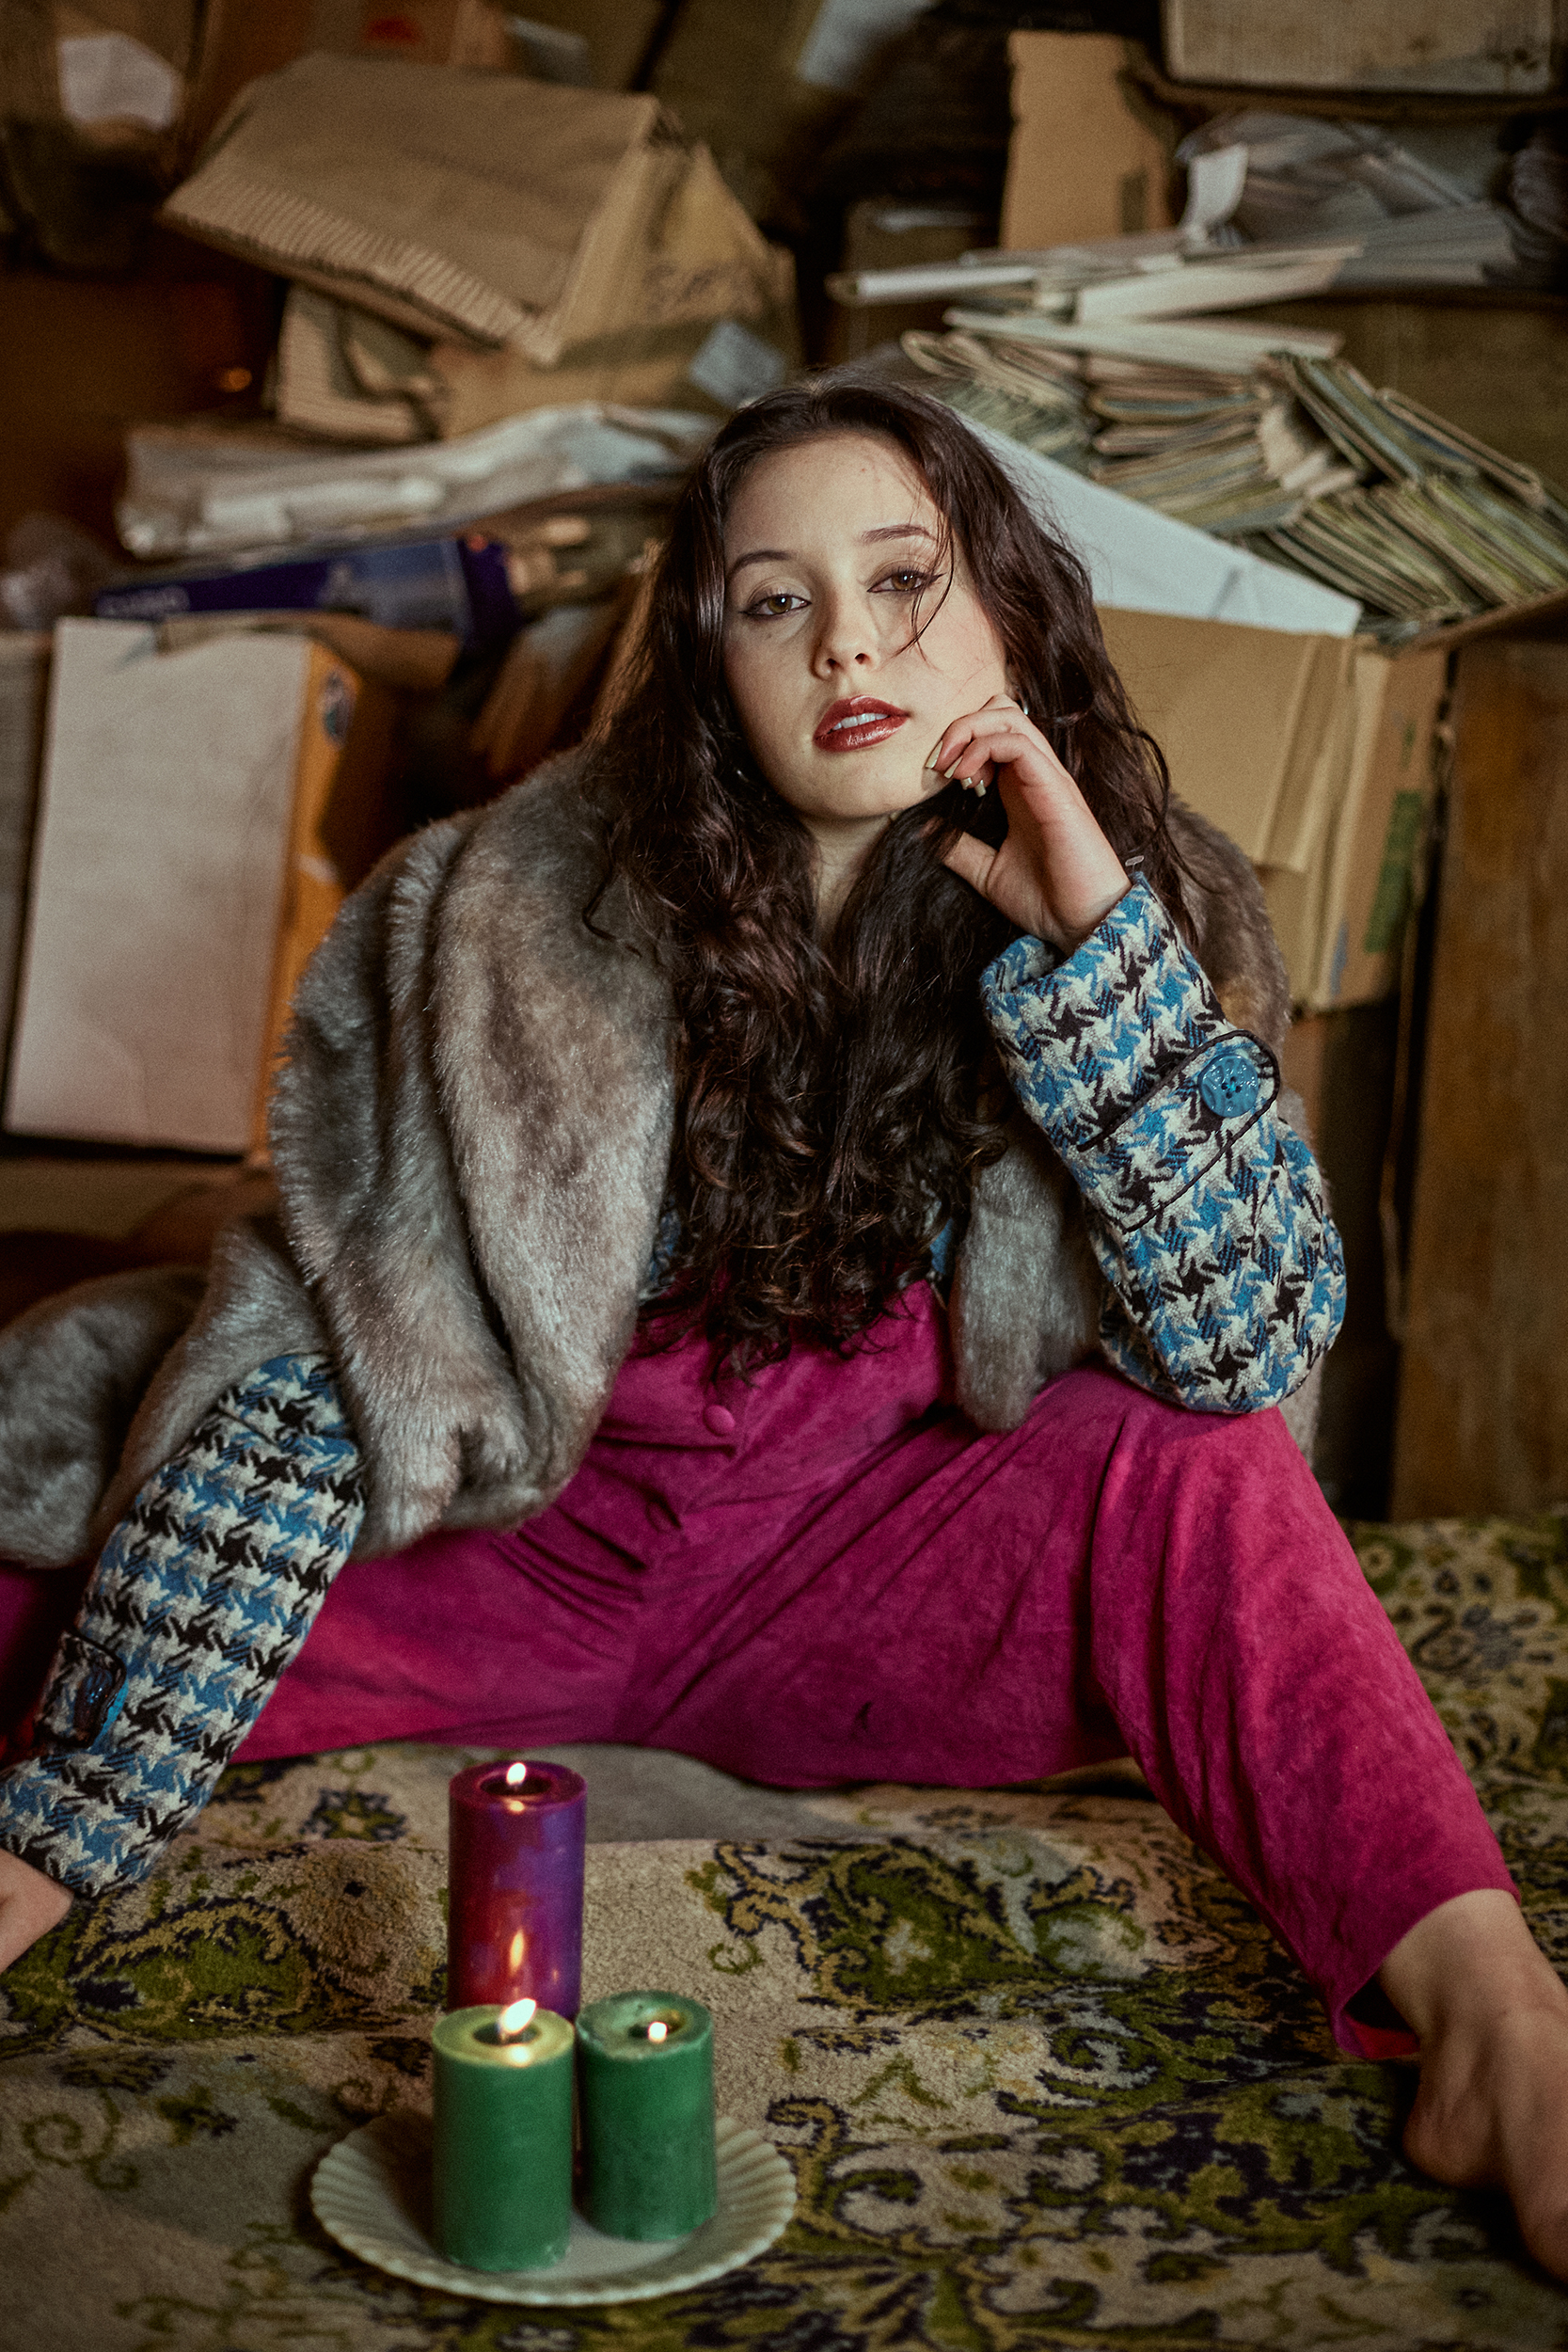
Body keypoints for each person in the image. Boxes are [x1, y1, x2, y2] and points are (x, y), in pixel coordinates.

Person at [0, 376, 1565, 2271]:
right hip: (512, 1543)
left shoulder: (1147, 909)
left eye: (902, 579)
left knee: (1193, 1462)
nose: (844, 642)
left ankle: (1499, 2020)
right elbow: (341, 1370)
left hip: (858, 1579)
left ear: (1008, 611)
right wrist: (58, 1833)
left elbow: (1243, 1351)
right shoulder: (501, 920)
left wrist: (1094, 951)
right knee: (92, 1520)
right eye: (773, 600)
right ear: (709, 661)